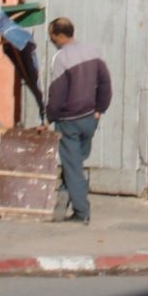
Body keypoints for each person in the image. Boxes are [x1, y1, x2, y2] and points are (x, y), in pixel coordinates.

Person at [45, 17, 112, 224]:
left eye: (51, 35)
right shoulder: (93, 51)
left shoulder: (61, 57)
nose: (51, 39)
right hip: (90, 119)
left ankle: (82, 212)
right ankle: (62, 206)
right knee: (74, 163)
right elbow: (105, 83)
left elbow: (57, 92)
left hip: (69, 120)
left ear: (58, 35)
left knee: (72, 167)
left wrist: (50, 117)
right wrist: (100, 109)